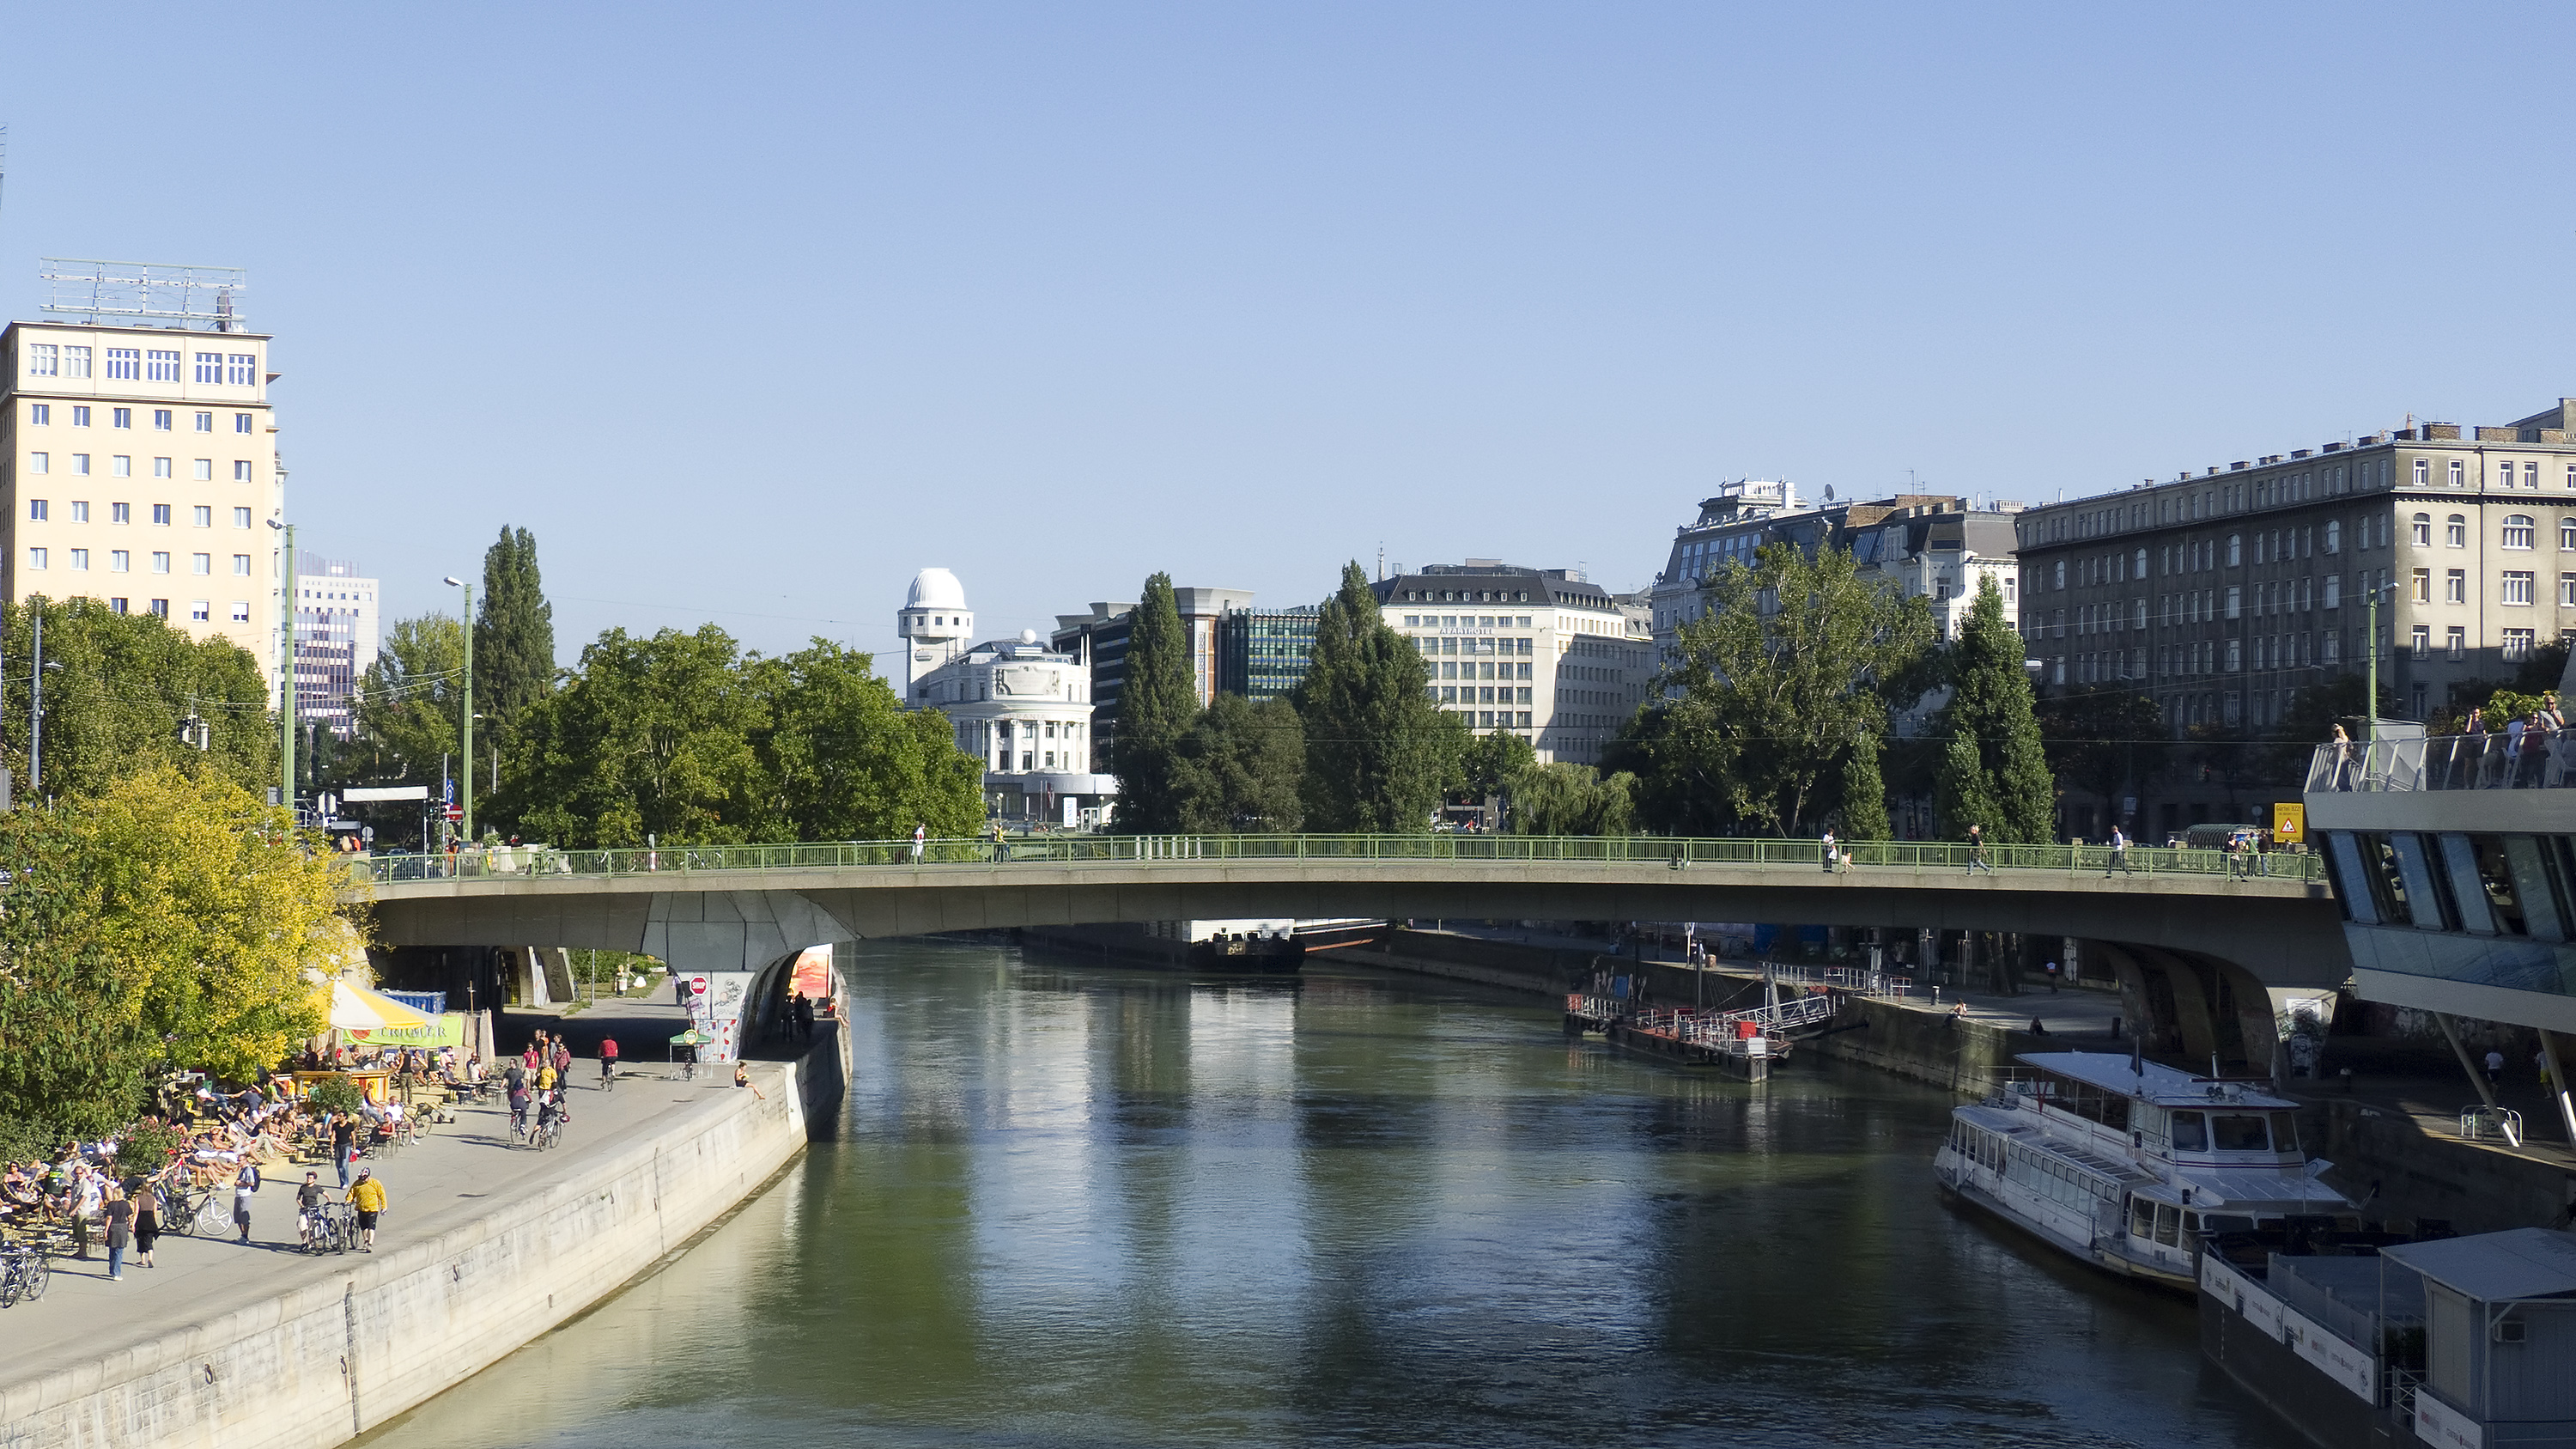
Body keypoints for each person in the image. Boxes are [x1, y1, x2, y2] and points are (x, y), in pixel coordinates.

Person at [348, 1168, 386, 1252]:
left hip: (372, 1209)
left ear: (368, 1177)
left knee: (371, 1227)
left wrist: (384, 1207)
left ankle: (370, 1244)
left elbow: (382, 1195)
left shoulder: (375, 1183)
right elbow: (351, 1193)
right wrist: (348, 1200)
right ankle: (366, 1240)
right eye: (361, 1179)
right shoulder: (357, 1184)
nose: (363, 1180)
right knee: (363, 1227)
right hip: (361, 1209)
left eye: (364, 1179)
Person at [102, 1184, 131, 1282]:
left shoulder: (111, 1204)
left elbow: (109, 1218)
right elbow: (130, 1216)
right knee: (119, 1250)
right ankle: (117, 1273)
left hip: (113, 1227)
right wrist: (131, 1224)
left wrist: (106, 1230)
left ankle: (112, 1270)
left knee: (112, 1249)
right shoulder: (126, 1204)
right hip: (122, 1227)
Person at [296, 1171, 328, 1251]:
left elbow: (326, 1195)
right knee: (302, 1227)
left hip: (314, 1209)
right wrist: (302, 1206)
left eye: (310, 1178)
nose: (308, 1179)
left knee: (311, 1229)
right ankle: (304, 1242)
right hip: (304, 1209)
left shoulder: (317, 1188)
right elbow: (298, 1199)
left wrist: (329, 1201)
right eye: (308, 1177)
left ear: (314, 1179)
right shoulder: (303, 1188)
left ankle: (310, 1245)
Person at [132, 1178, 161, 1269]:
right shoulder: (153, 1199)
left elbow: (136, 1212)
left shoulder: (138, 1199)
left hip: (141, 1221)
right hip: (150, 1221)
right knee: (149, 1241)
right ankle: (150, 1258)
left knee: (140, 1240)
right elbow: (155, 1212)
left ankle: (143, 1260)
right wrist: (154, 1222)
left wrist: (133, 1224)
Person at [233, 1161, 259, 1245]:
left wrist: (241, 1184)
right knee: (237, 1217)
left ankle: (245, 1236)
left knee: (244, 1217)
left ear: (245, 1161)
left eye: (240, 1160)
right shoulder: (241, 1170)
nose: (238, 1162)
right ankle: (243, 1235)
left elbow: (251, 1183)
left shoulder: (248, 1170)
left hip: (245, 1196)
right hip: (238, 1195)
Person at [330, 1111, 357, 1189]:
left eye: (340, 1116)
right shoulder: (335, 1125)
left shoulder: (349, 1126)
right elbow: (333, 1135)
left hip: (346, 1146)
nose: (339, 1117)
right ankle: (342, 1182)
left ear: (345, 1117)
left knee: (344, 1165)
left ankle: (346, 1182)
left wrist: (354, 1147)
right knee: (338, 1166)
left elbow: (353, 1136)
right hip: (338, 1146)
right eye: (338, 1116)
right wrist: (331, 1146)